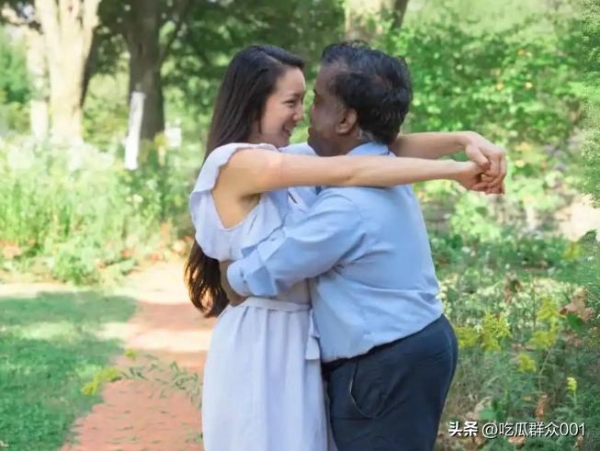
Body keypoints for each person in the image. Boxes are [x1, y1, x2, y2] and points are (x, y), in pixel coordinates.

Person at [187, 44, 505, 451]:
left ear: (345, 119)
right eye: (293, 102)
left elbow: (381, 149)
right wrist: (456, 170)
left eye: (310, 101)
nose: (303, 114)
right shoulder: (240, 162)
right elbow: (357, 164)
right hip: (263, 341)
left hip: (304, 340)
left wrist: (465, 139)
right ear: (253, 103)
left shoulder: (297, 164)